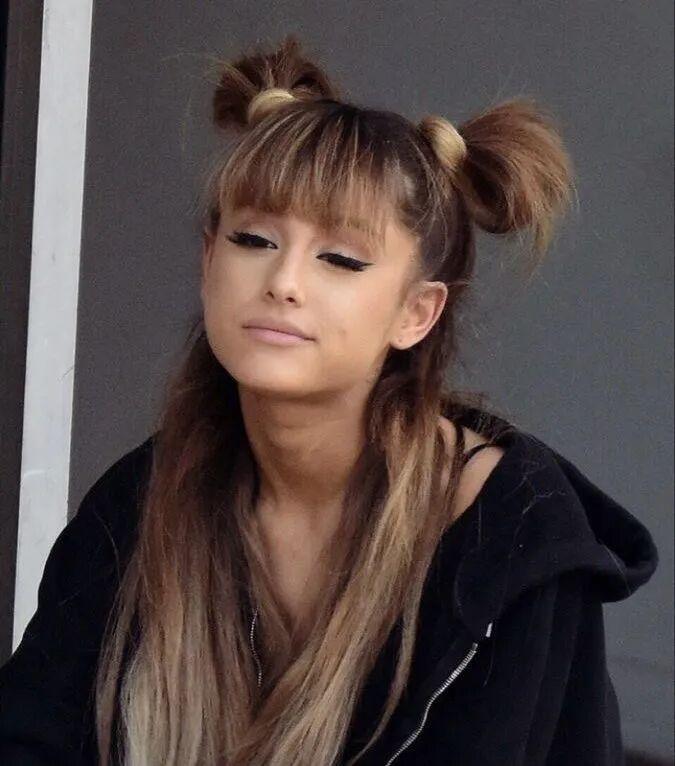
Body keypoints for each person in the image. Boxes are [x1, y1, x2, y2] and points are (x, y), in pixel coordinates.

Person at [0, 33, 659, 766]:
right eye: (254, 240)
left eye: (340, 258)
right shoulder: (140, 504)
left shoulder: (511, 536)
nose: (284, 282)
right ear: (208, 260)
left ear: (417, 313)